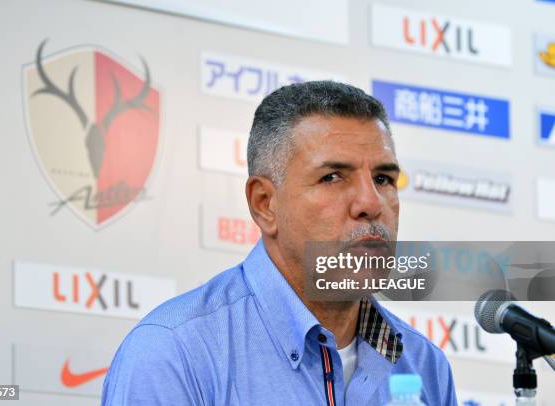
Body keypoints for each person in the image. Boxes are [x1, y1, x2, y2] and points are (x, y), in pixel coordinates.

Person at [101, 81, 458, 405]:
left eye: (383, 178)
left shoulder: (423, 365)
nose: (370, 203)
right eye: (333, 177)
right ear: (264, 204)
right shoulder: (174, 353)